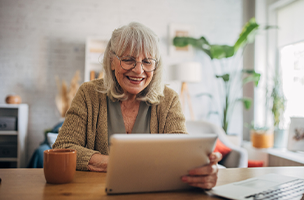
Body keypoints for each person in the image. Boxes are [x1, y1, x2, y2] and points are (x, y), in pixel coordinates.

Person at [53, 22, 222, 189]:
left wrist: (202, 171)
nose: (139, 70)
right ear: (112, 61)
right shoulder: (88, 93)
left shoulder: (169, 99)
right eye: (128, 60)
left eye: (147, 61)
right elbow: (63, 148)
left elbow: (181, 154)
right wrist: (119, 164)